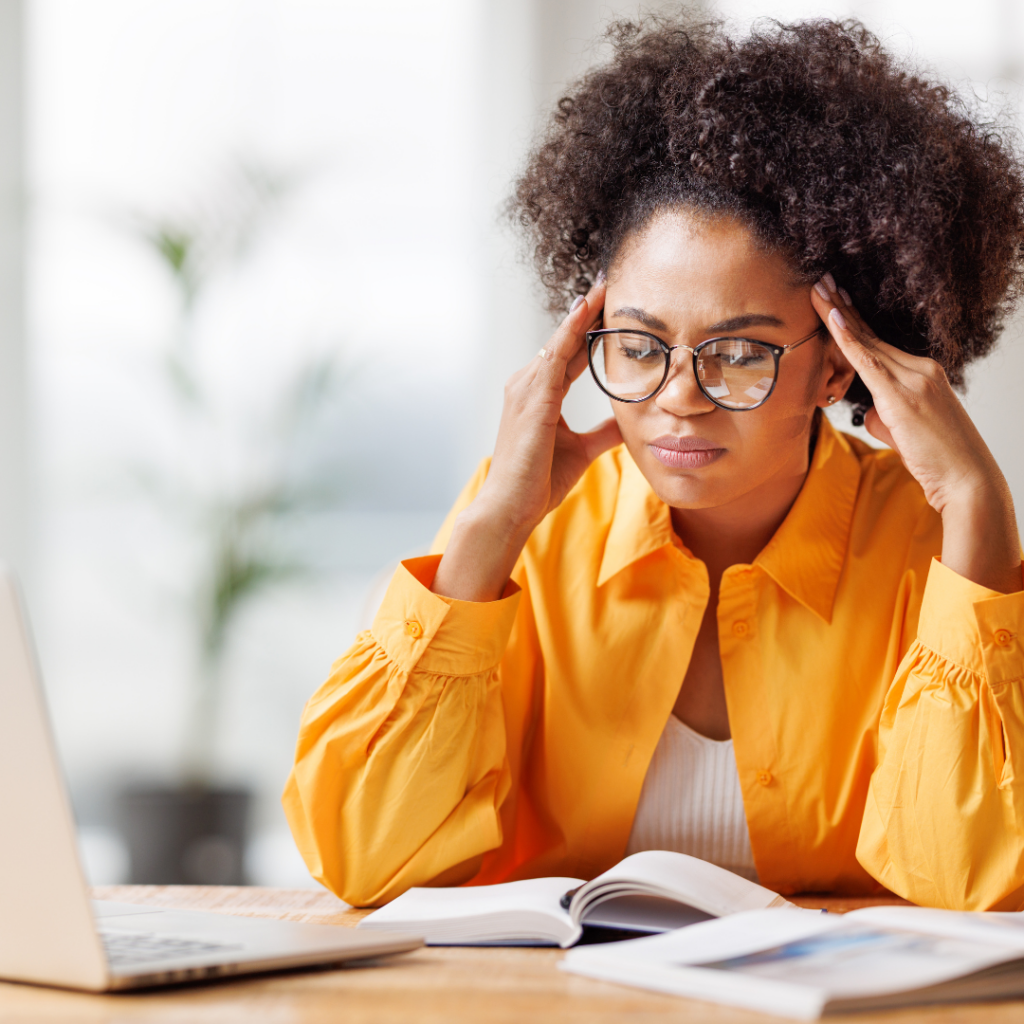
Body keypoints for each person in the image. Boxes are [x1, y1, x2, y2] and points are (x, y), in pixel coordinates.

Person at [284, 15, 1024, 910]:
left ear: (836, 365)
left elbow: (972, 886)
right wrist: (486, 535)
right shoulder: (526, 535)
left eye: (741, 353)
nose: (680, 395)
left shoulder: (933, 550)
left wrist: (977, 508)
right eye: (638, 346)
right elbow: (361, 856)